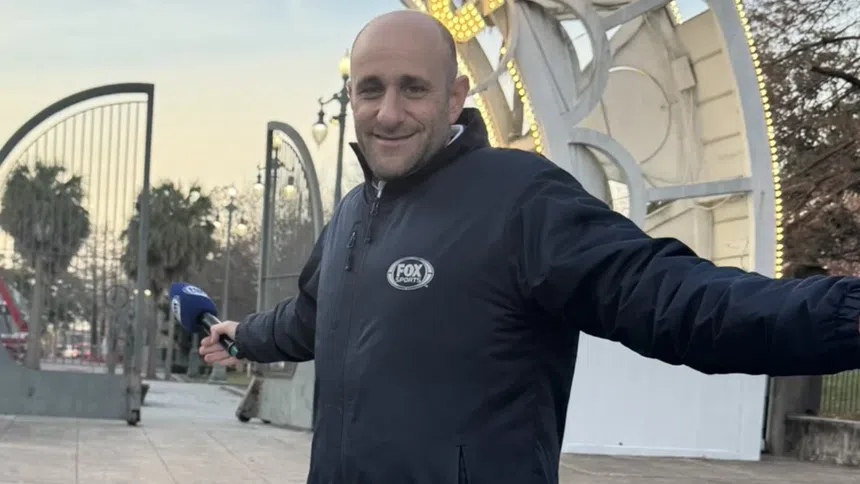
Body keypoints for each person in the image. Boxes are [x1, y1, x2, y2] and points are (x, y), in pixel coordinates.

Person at [200, 9, 860, 484]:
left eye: (413, 88)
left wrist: (845, 317)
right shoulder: (351, 213)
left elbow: (674, 299)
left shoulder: (522, 199)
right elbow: (311, 317)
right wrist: (242, 335)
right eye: (370, 89)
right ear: (352, 97)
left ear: (455, 97)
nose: (389, 112)